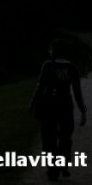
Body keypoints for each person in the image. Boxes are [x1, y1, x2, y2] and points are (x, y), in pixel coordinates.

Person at [30, 39, 87, 181]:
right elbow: (77, 91)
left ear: (53, 51)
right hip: (65, 104)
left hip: (49, 104)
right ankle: (64, 164)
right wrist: (83, 110)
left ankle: (52, 168)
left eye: (50, 49)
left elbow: (40, 86)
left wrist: (32, 103)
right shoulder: (72, 67)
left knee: (48, 137)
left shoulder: (48, 65)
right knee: (65, 136)